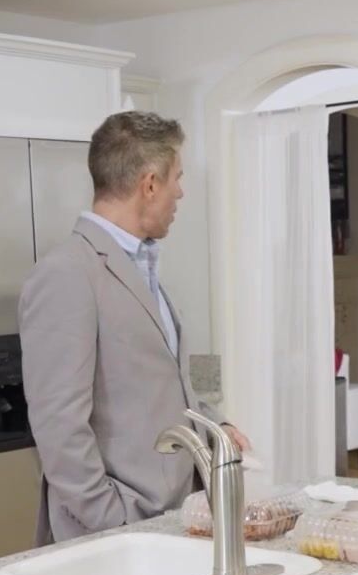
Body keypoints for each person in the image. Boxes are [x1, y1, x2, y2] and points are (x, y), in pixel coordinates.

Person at [19, 111, 250, 544]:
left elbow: (156, 383)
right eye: (177, 178)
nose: (180, 192)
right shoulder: (66, 273)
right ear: (150, 184)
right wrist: (108, 516)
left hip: (172, 517)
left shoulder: (140, 266)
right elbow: (58, 422)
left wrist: (215, 425)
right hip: (116, 529)